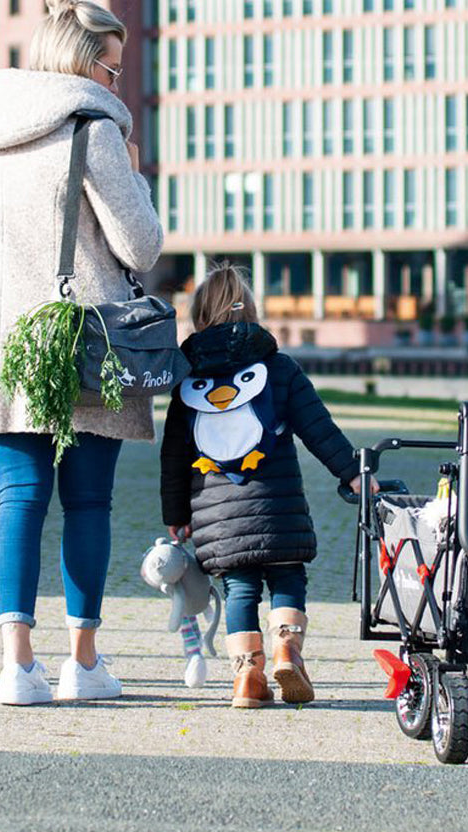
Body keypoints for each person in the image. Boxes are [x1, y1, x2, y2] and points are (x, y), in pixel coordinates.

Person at [0, 0, 162, 707]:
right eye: (112, 70)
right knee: (88, 505)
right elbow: (140, 246)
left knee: (18, 498)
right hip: (85, 340)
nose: (119, 83)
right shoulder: (97, 129)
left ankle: (15, 666)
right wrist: (135, 175)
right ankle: (82, 663)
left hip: (1, 344)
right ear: (84, 66)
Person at [160, 263, 369, 708]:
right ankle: (286, 650)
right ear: (252, 312)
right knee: (288, 575)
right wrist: (353, 473)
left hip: (218, 517)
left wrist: (176, 514)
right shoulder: (279, 368)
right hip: (279, 508)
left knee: (240, 588)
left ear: (200, 318)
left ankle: (247, 679)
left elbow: (174, 455)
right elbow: (319, 429)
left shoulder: (187, 380)